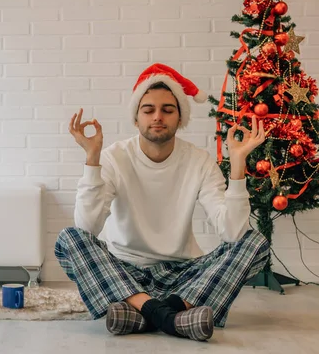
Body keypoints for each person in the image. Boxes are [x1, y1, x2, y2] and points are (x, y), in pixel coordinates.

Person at [55, 63, 270, 342]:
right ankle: (176, 317)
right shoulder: (113, 157)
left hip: (182, 274)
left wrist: (238, 166)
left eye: (168, 110)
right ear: (136, 118)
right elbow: (87, 227)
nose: (158, 117)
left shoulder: (199, 160)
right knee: (69, 239)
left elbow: (232, 232)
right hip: (123, 269)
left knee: (254, 244)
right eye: (148, 110)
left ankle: (140, 311)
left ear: (180, 118)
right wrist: (92, 160)